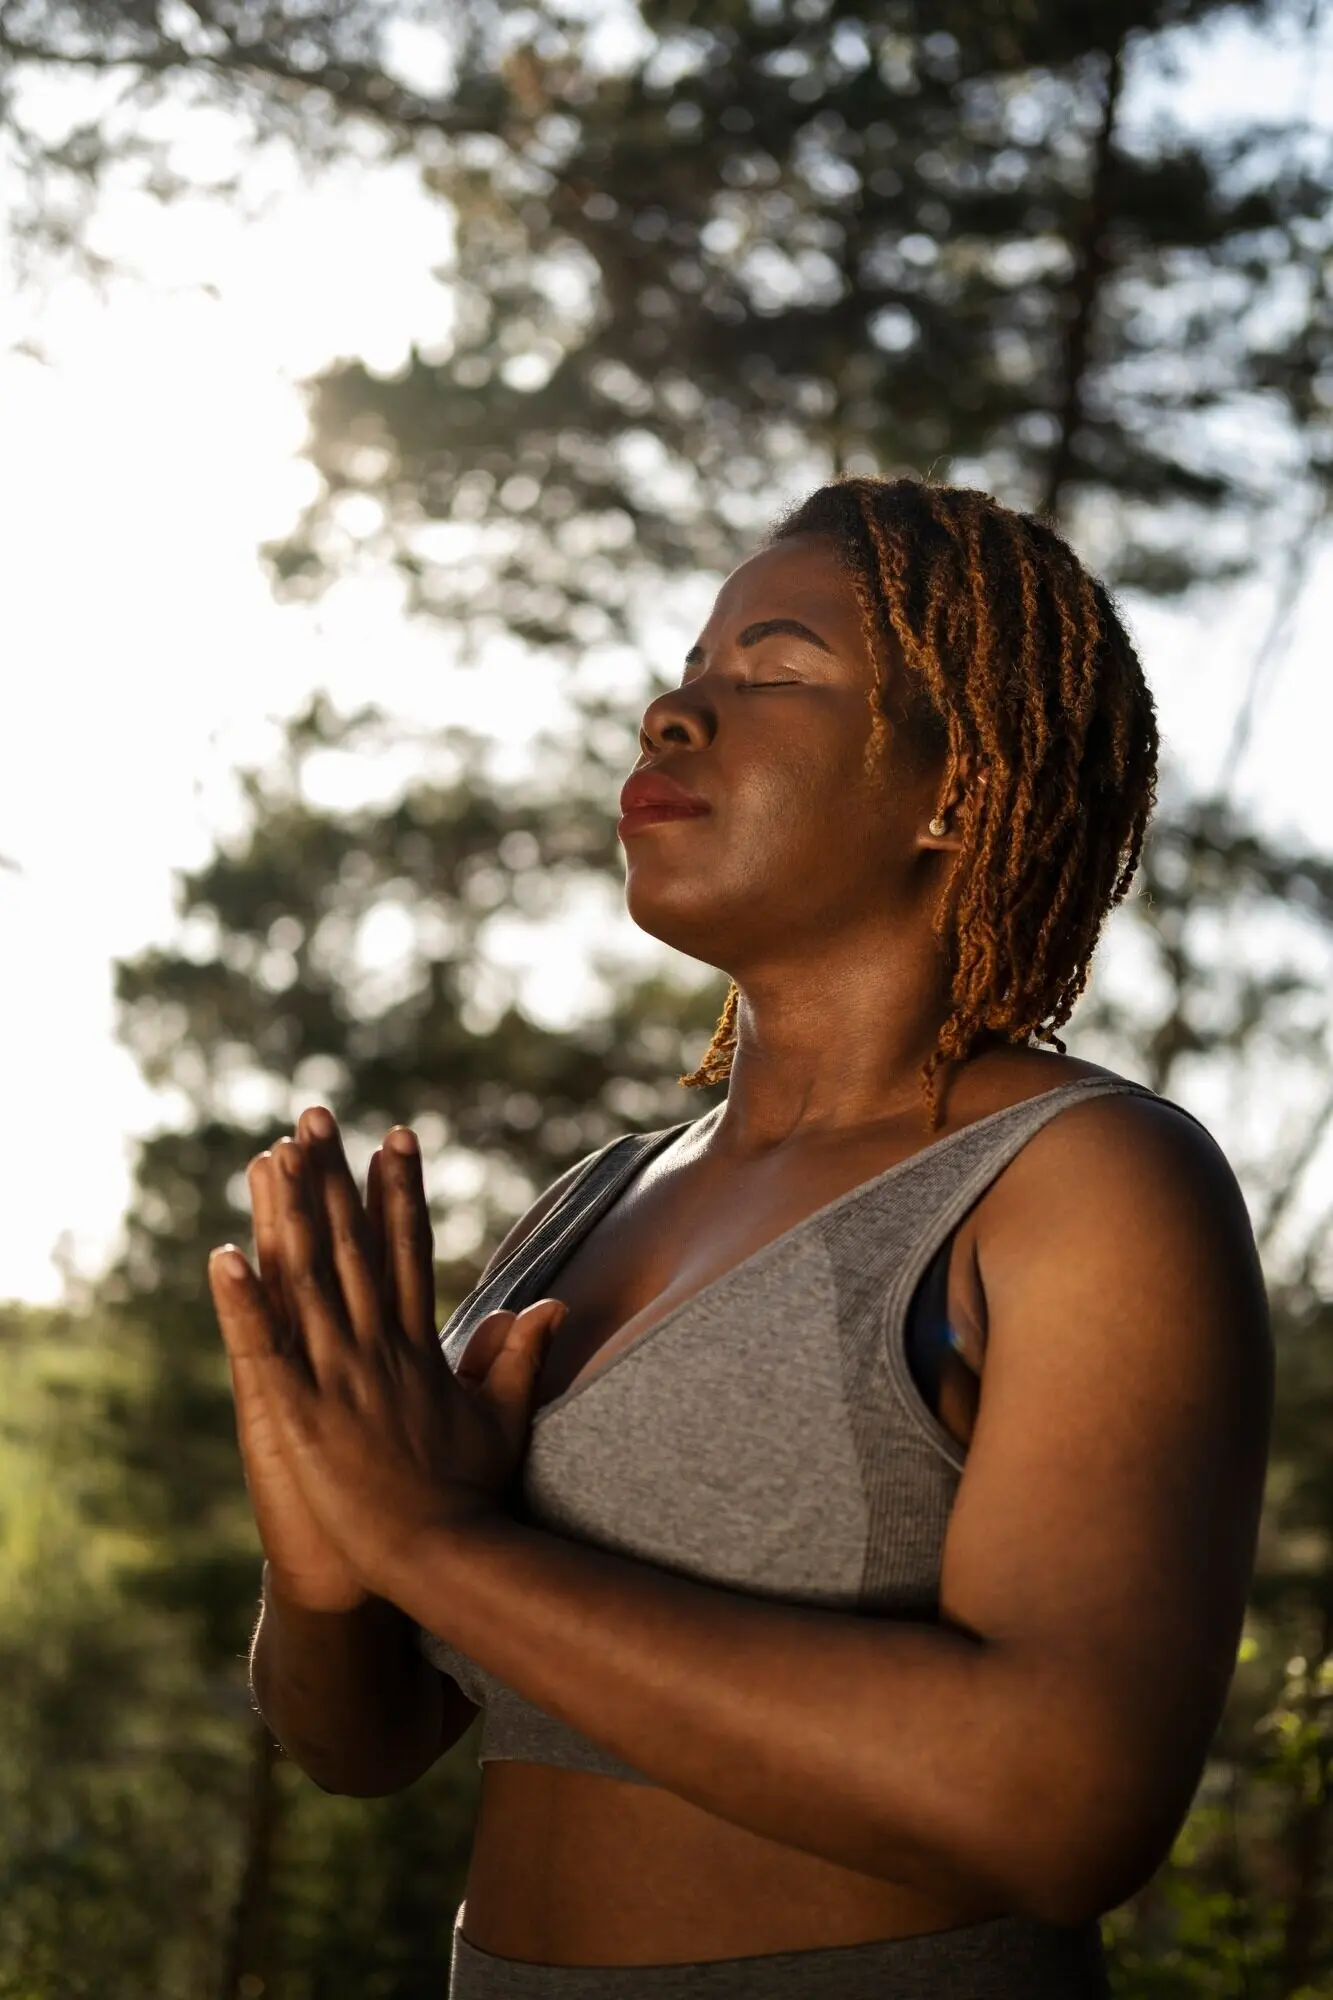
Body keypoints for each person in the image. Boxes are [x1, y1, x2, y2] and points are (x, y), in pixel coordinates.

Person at [210, 475, 1273, 1999]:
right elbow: (362, 1744)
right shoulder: (596, 1201)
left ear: (955, 791)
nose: (673, 712)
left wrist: (433, 1546)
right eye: (691, 667)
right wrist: (324, 1551)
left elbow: (1061, 1812)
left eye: (773, 673)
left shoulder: (1081, 1182)